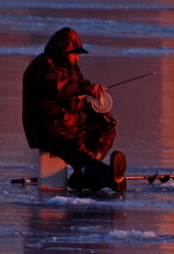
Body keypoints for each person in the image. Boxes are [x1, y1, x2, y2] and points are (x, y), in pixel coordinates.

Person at [22, 27, 126, 193]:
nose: (77, 58)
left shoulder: (72, 68)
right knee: (74, 148)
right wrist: (87, 88)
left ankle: (84, 175)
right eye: (74, 54)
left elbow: (79, 100)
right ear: (63, 51)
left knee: (106, 127)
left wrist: (99, 115)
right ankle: (104, 175)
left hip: (71, 121)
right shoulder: (42, 66)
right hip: (49, 128)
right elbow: (59, 88)